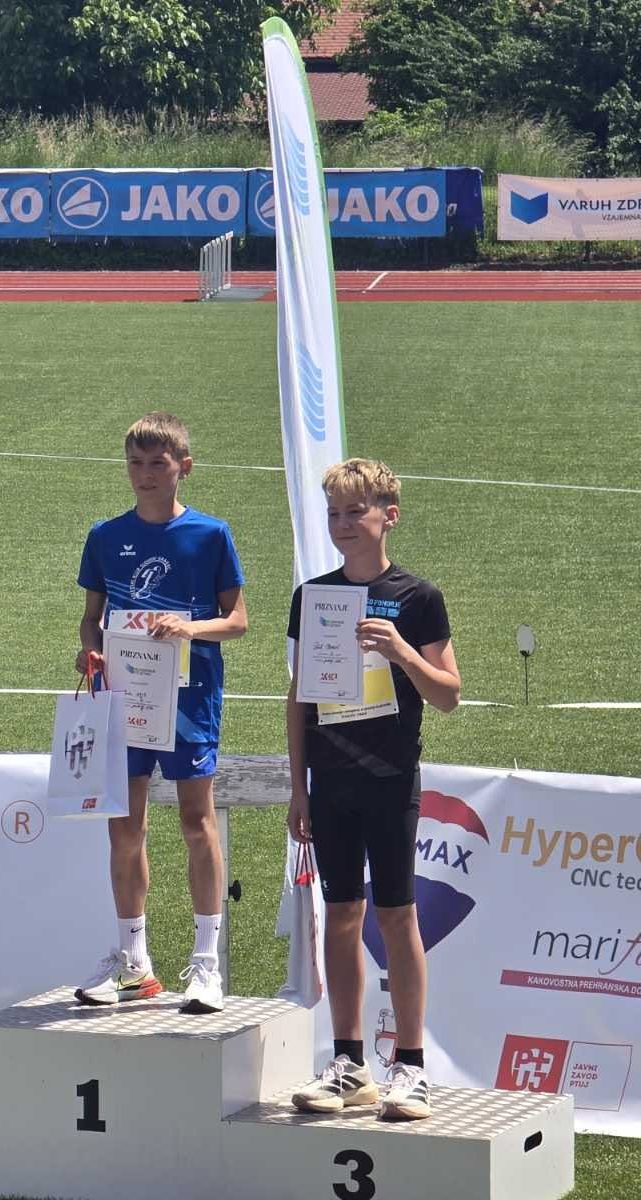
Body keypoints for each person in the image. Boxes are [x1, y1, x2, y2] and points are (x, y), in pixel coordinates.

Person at [286, 458, 459, 1122]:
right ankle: (350, 1064)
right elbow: (299, 697)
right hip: (330, 782)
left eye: (355, 511)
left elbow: (447, 695)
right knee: (340, 914)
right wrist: (298, 786)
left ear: (390, 515)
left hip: (390, 780)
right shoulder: (313, 596)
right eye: (333, 513)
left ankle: (410, 1067)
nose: (342, 523)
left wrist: (400, 652)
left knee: (396, 915)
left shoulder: (419, 597)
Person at [72, 412, 248, 1014]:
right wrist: (91, 650)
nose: (145, 474)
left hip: (188, 699)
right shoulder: (105, 536)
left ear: (183, 468)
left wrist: (190, 628)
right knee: (125, 828)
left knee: (197, 824)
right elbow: (92, 618)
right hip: (125, 699)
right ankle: (133, 963)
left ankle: (206, 964)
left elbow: (238, 621)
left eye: (158, 463)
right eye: (136, 463)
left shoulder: (211, 534)